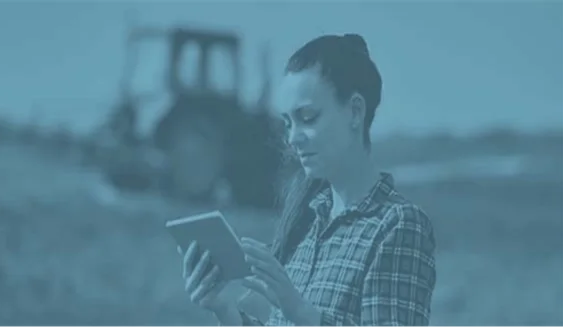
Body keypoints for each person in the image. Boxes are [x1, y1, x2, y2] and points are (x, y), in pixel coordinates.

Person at [178, 33, 437, 327]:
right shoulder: (306, 224)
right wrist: (224, 310)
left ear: (355, 111)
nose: (292, 138)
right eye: (288, 123)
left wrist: (300, 312)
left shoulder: (399, 225)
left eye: (309, 118)